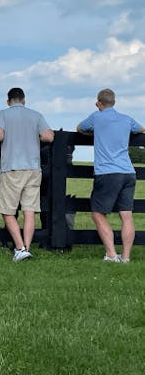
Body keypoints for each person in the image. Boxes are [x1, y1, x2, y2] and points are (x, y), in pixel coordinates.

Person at [77, 89, 144, 263]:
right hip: (128, 172)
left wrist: (93, 132)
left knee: (98, 214)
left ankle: (112, 254)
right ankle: (126, 257)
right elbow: (141, 129)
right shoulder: (126, 119)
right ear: (114, 102)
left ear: (99, 103)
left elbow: (79, 128)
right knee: (126, 215)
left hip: (107, 173)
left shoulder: (96, 117)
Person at [0, 87, 54, 262]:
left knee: (7, 211)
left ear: (8, 101)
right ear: (24, 100)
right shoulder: (36, 115)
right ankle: (27, 247)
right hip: (34, 169)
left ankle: (19, 248)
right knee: (29, 211)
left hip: (12, 168)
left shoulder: (2, 114)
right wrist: (35, 136)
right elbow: (49, 136)